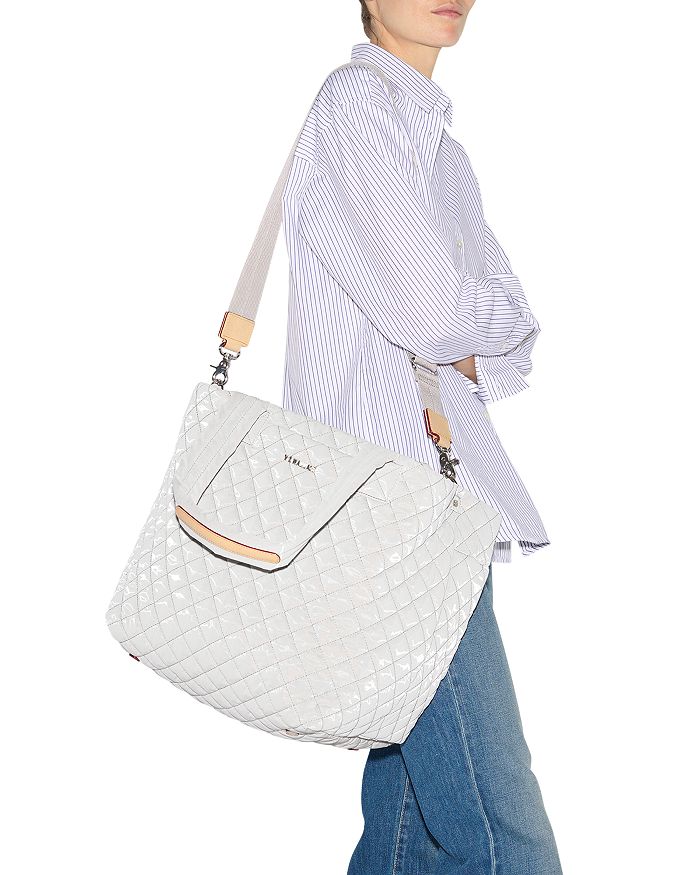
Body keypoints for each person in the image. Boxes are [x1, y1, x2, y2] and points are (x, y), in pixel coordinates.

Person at [281, 3, 563, 873]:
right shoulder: (355, 107)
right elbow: (446, 315)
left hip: (439, 509)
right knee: (506, 836)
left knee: (407, 830)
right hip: (388, 516)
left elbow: (513, 340)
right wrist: (475, 316)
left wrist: (472, 319)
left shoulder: (444, 154)